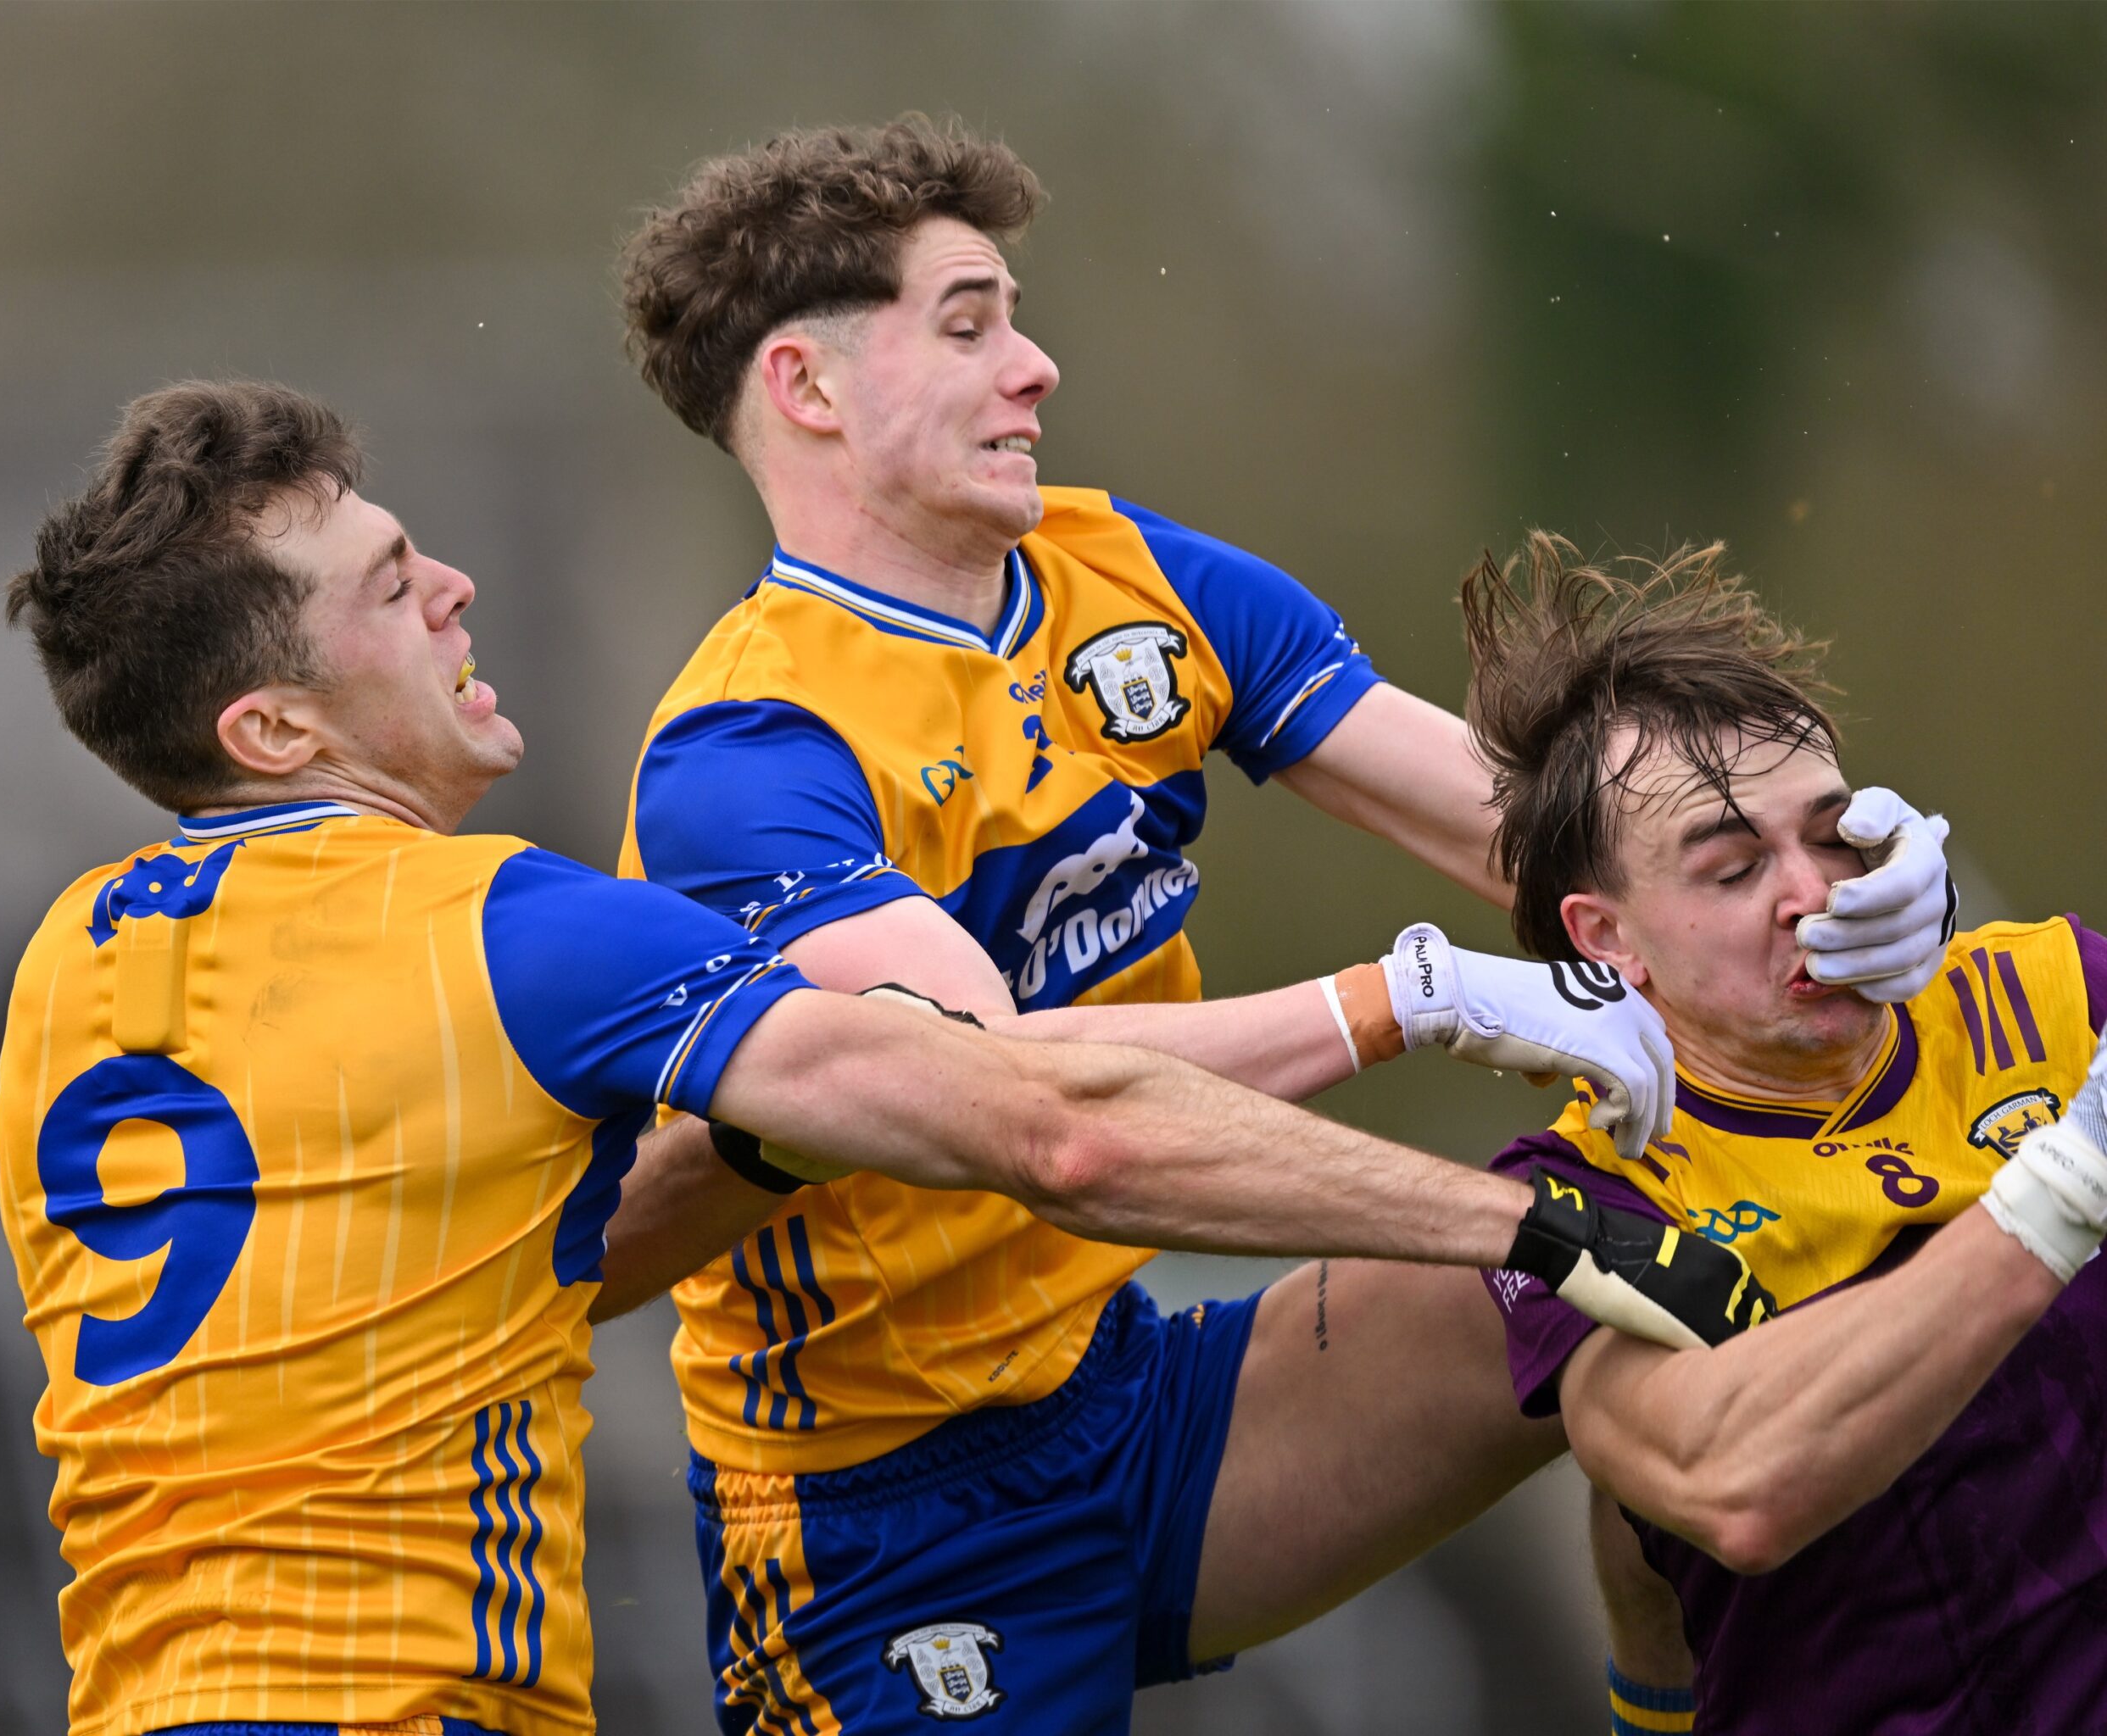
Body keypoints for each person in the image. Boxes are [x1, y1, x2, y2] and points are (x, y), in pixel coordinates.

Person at [0, 384, 1763, 1736]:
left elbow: (519, 1252)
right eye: (391, 584)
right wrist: (1499, 1172)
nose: (454, 586)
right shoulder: (507, 926)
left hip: (140, 1699)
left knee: (1640, 1377)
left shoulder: (62, 972)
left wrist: (780, 1126)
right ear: (274, 727)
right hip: (440, 1695)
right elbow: (1048, 1127)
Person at [607, 115, 1959, 1728]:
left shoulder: (1129, 578)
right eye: (968, 326)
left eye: (1015, 319)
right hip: (884, 1508)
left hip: (1151, 1394)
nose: (1035, 366)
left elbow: (1550, 845)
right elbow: (1032, 1116)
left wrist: (1844, 876)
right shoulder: (750, 753)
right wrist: (1406, 1001)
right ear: (807, 388)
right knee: (1588, 1255)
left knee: (1724, 1288)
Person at [1461, 534, 2107, 1735]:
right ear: (1607, 937)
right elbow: (1734, 1485)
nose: (1814, 895)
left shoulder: (2051, 992)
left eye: (1834, 835)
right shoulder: (1586, 1189)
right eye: (1734, 869)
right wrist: (2065, 1187)